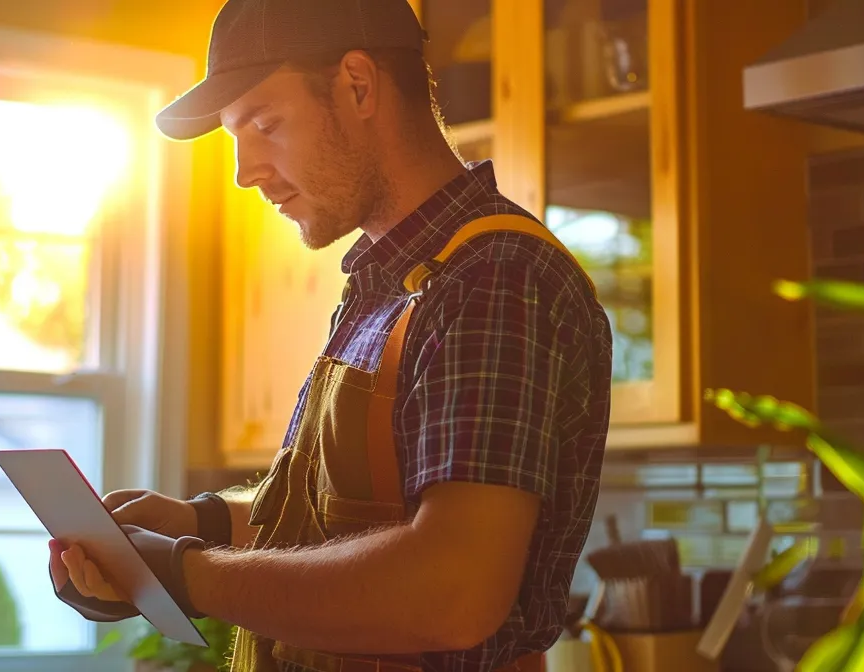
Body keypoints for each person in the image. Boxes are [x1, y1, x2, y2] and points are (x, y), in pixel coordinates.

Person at [47, 0, 614, 669]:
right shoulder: (384, 284)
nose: (244, 172)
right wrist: (197, 522)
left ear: (358, 85)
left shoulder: (495, 281)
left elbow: (453, 591)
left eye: (264, 124)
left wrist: (186, 575)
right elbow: (345, 515)